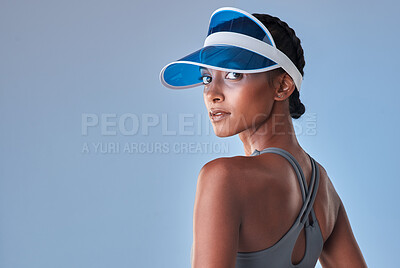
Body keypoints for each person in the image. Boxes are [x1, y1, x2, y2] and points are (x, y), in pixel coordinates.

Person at [160, 7, 367, 268]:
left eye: (234, 74)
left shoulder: (223, 177)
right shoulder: (323, 188)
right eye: (207, 78)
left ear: (282, 86)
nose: (212, 93)